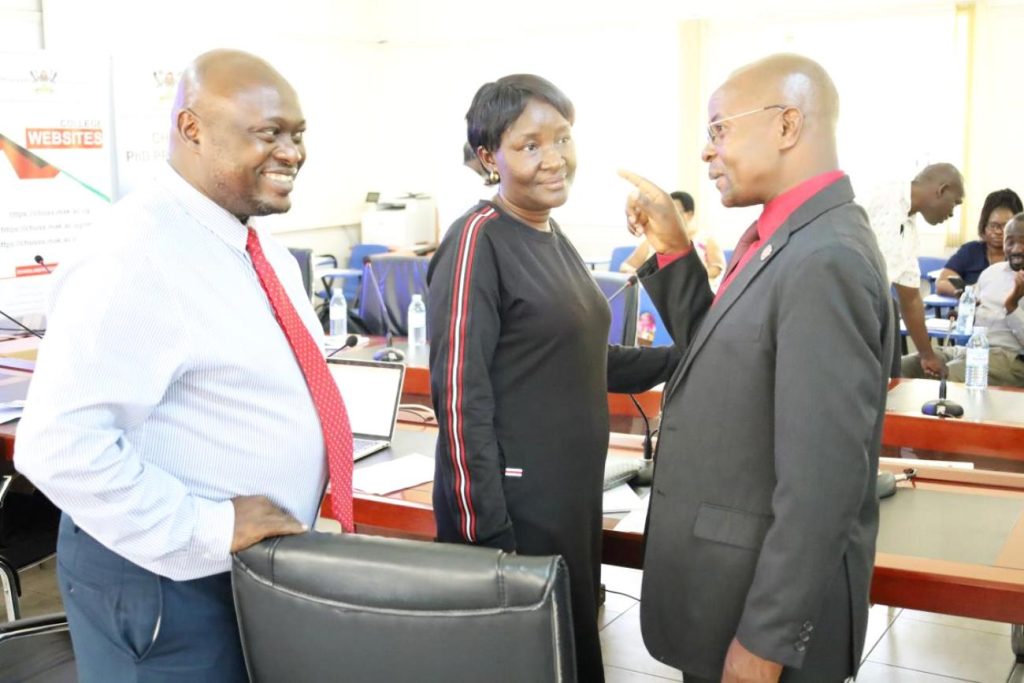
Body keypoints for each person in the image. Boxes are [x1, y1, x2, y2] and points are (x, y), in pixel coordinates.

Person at [14, 49, 354, 682]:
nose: (293, 152)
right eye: (268, 133)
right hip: (164, 583)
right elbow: (59, 447)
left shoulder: (261, 251)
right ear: (192, 129)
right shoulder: (132, 255)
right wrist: (207, 526)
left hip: (241, 571)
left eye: (298, 134)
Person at [619, 53, 892, 682]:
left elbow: (823, 483)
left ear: (787, 125)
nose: (708, 154)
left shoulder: (825, 258)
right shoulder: (784, 237)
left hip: (763, 622)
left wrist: (766, 641)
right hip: (728, 590)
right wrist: (673, 251)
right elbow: (726, 355)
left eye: (719, 130)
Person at [426, 74, 677, 683]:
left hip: (568, 495)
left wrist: (689, 356)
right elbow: (459, 398)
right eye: (529, 145)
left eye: (562, 139)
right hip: (513, 508)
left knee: (569, 654)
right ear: (489, 158)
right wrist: (486, 538)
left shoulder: (549, 232)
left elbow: (589, 358)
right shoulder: (477, 242)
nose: (554, 159)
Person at [863, 163, 964, 377]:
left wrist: (927, 355)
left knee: (890, 372)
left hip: (871, 308)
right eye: (954, 203)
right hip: (841, 302)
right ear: (941, 190)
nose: (952, 213)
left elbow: (910, 298)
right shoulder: (876, 196)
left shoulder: (909, 232)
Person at [902, 212, 1024, 386]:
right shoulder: (992, 273)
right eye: (1010, 241)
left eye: (1023, 241)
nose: (1017, 249)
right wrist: (966, 309)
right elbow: (969, 314)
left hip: (1012, 360)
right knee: (905, 366)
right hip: (971, 349)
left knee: (947, 377)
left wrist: (1012, 305)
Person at [620, 191, 726, 281]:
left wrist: (687, 279)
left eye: (674, 211)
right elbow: (625, 266)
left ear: (689, 214)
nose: (668, 216)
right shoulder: (652, 240)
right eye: (666, 211)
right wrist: (642, 276)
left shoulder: (706, 239)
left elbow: (717, 269)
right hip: (654, 296)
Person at [935, 188, 1022, 296]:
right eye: (993, 226)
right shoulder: (970, 251)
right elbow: (942, 283)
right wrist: (971, 292)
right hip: (975, 310)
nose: (999, 232)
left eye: (1005, 226)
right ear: (984, 226)